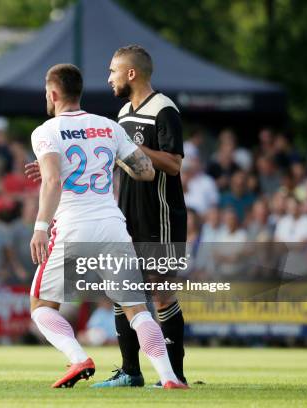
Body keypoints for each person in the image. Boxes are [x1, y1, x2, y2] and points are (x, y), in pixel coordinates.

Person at [25, 46, 188, 387]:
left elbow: (54, 180)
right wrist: (106, 160)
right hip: (113, 225)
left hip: (71, 226)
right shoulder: (108, 126)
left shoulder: (46, 130)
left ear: (53, 93)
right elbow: (144, 172)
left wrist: (41, 226)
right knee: (136, 309)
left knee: (41, 304)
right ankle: (169, 377)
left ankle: (78, 358)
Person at [101, 45, 188, 387]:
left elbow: (174, 163)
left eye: (113, 71)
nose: (109, 78)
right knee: (121, 289)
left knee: (161, 292)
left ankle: (176, 374)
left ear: (131, 74)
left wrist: (130, 146)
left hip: (161, 216)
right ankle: (129, 371)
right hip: (128, 215)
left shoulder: (164, 110)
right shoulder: (124, 113)